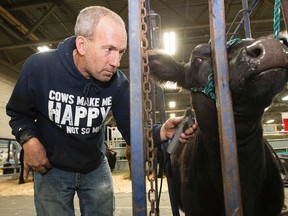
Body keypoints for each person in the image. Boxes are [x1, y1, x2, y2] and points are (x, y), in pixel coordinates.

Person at [6, 6, 197, 216]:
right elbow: (18, 113)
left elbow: (133, 133)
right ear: (82, 45)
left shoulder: (118, 85)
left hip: (95, 169)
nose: (116, 62)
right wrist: (29, 141)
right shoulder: (39, 68)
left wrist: (161, 132)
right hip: (52, 168)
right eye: (109, 49)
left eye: (120, 52)